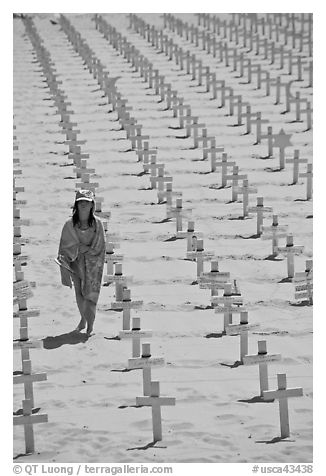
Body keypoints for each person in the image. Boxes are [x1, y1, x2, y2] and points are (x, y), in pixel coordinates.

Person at [57, 189, 106, 337]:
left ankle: (90, 323)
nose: (83, 205)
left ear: (92, 205)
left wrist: (88, 251)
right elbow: (64, 246)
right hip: (75, 262)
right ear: (76, 205)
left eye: (87, 202)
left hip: (92, 264)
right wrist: (77, 249)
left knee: (90, 294)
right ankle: (83, 319)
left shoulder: (97, 224)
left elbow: (100, 246)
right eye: (81, 202)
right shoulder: (69, 224)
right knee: (79, 292)